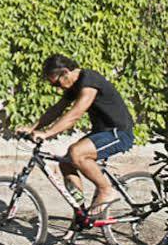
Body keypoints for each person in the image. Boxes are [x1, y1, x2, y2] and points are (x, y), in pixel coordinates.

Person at [16, 54, 136, 214]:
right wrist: (33, 127)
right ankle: (80, 212)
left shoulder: (90, 81)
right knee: (65, 162)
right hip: (101, 133)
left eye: (56, 83)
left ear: (65, 72)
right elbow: (57, 109)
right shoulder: (74, 85)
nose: (58, 88)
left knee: (76, 153)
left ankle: (106, 189)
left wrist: (47, 133)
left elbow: (76, 113)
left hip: (119, 133)